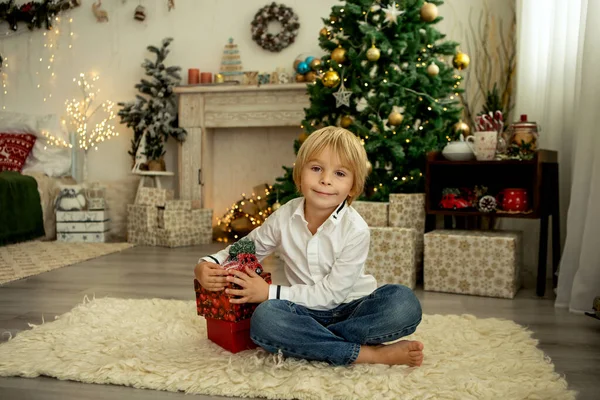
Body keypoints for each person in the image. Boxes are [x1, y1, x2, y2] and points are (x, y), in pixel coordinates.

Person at [194, 126, 424, 366]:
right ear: (300, 175)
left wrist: (269, 292)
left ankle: (314, 342)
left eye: (340, 174)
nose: (325, 179)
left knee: (403, 303)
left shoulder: (356, 229)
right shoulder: (284, 217)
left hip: (353, 309)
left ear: (353, 187)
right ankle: (370, 354)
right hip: (303, 311)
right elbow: (248, 247)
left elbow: (333, 295)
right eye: (316, 169)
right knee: (265, 319)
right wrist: (207, 263)